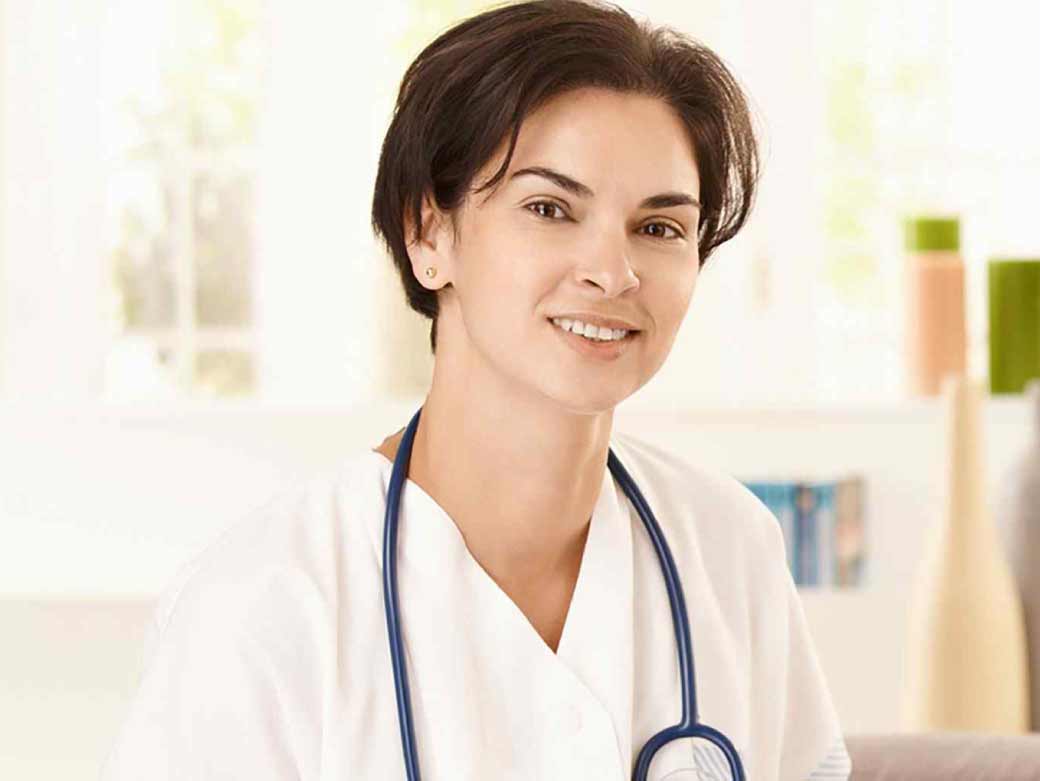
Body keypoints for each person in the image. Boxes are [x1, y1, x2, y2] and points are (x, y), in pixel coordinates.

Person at [100, 1, 851, 778]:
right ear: (428, 233)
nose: (614, 270)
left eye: (659, 227)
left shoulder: (730, 549)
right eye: (550, 208)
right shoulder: (266, 601)